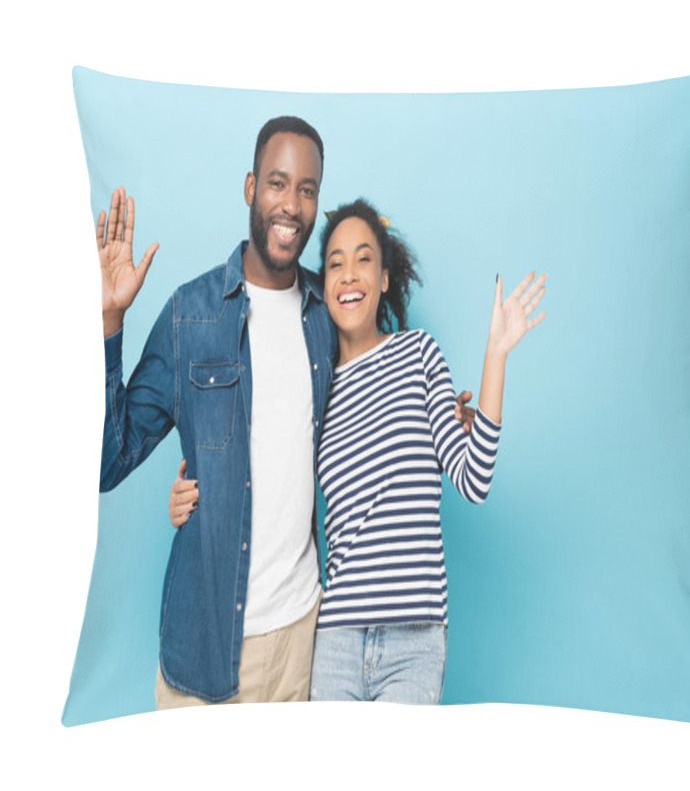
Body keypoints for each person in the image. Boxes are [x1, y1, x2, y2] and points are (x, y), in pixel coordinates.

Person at [98, 118, 474, 709]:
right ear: (251, 188)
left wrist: (441, 416)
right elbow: (106, 461)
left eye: (306, 189)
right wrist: (108, 324)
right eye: (278, 183)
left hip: (306, 642)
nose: (291, 205)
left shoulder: (328, 313)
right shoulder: (189, 316)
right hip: (204, 649)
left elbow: (373, 393)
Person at [169, 198, 546, 703]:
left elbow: (474, 478)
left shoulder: (418, 355)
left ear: (385, 278)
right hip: (335, 639)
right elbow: (264, 471)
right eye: (336, 264)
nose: (349, 275)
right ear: (323, 286)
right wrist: (191, 491)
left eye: (364, 259)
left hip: (416, 639)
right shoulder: (316, 385)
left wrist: (495, 355)